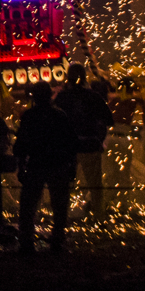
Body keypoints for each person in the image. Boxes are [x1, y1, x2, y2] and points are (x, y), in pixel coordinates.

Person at [13, 80, 78, 254]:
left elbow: (21, 144)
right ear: (50, 96)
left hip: (37, 163)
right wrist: (72, 166)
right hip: (57, 163)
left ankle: (26, 241)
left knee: (28, 204)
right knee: (59, 205)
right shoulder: (59, 115)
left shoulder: (29, 116)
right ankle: (57, 240)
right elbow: (71, 144)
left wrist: (21, 165)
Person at [55, 62, 114, 223]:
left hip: (68, 148)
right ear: (83, 77)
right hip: (90, 144)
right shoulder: (93, 97)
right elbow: (109, 120)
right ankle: (99, 217)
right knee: (95, 185)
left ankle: (62, 218)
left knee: (65, 184)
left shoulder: (62, 98)